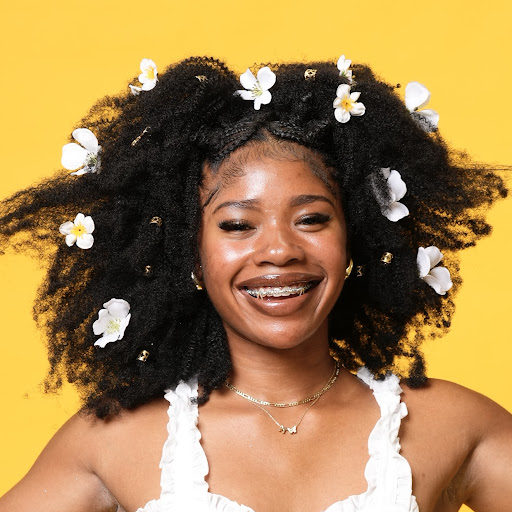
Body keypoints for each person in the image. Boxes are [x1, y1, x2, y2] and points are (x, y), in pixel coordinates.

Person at [0, 55, 510, 512]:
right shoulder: (114, 442)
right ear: (190, 255)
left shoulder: (454, 427)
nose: (280, 250)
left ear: (355, 237)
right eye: (238, 225)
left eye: (311, 219)